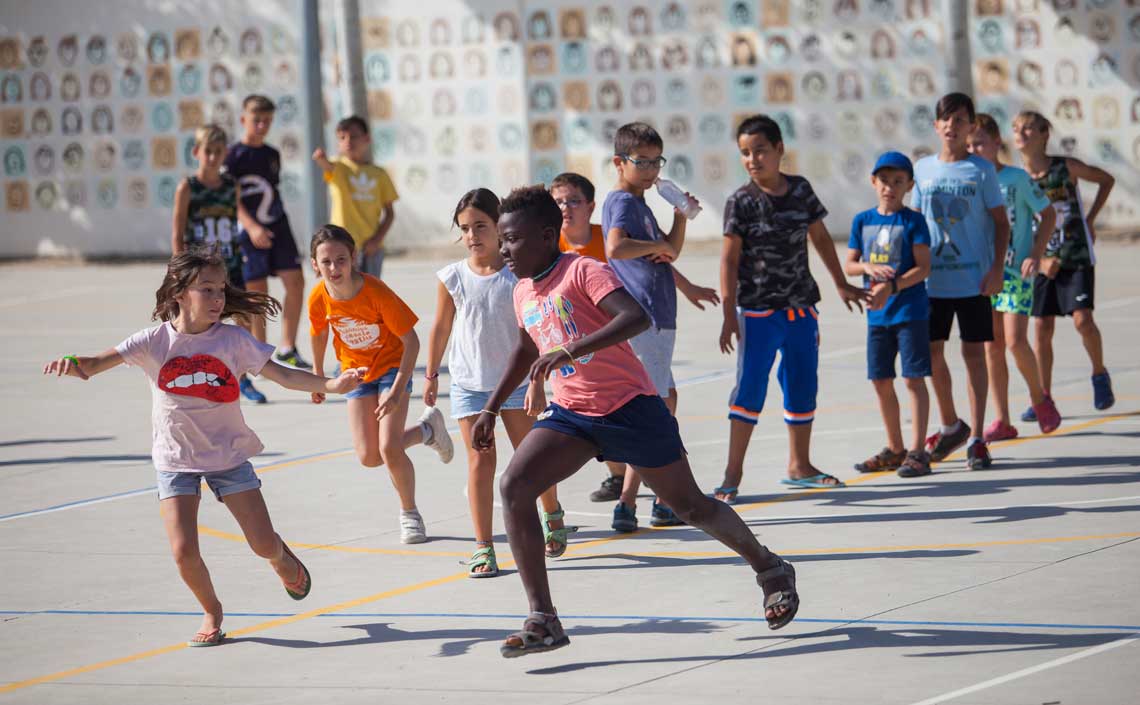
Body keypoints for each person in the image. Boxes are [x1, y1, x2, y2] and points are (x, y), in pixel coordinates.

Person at [472, 185, 799, 658]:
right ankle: (543, 619)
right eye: (501, 240)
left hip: (629, 407)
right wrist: (490, 405)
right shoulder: (523, 289)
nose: (504, 249)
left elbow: (634, 317)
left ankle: (770, 568)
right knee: (514, 485)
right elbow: (526, 347)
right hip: (572, 414)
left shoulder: (583, 270)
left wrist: (570, 350)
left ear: (547, 236)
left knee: (692, 508)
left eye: (513, 239)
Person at [43, 250, 366, 647]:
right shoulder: (154, 341)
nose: (217, 299)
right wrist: (74, 363)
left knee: (262, 543)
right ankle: (211, 610)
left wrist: (331, 385)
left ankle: (282, 559)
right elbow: (95, 363)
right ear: (179, 293)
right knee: (182, 551)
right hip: (175, 460)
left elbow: (282, 375)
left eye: (221, 290)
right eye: (207, 289)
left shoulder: (232, 339)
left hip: (227, 455)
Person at [716, 114, 868, 501]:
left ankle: (799, 466)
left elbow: (819, 237)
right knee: (749, 390)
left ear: (780, 149)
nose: (753, 159)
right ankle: (732, 475)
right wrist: (728, 314)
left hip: (801, 309)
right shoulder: (741, 202)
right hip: (758, 314)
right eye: (745, 154)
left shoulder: (800, 190)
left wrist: (840, 283)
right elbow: (729, 261)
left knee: (802, 385)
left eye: (760, 151)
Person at [423, 189, 568, 576]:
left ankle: (551, 511)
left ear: (499, 225)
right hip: (470, 384)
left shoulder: (518, 273)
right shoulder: (452, 277)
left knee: (530, 459)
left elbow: (537, 331)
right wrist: (432, 373)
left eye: (480, 226)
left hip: (518, 384)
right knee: (479, 463)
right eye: (465, 229)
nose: (472, 236)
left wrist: (538, 380)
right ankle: (483, 546)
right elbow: (440, 327)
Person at [600, 124, 719, 531]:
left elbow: (670, 250)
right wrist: (656, 246)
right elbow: (614, 247)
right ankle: (634, 501)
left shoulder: (642, 204)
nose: (651, 170)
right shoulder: (623, 202)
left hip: (658, 316)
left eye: (657, 161)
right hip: (645, 319)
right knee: (652, 410)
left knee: (664, 403)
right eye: (642, 162)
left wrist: (680, 217)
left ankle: (647, 501)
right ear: (620, 162)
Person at [308, 225, 454, 544]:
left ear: (354, 258)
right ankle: (427, 431)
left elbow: (411, 341)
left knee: (389, 447)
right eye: (327, 261)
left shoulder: (376, 292)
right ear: (314, 264)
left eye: (341, 259)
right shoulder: (318, 298)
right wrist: (320, 378)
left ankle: (410, 514)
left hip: (391, 366)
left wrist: (399, 388)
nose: (335, 268)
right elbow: (318, 334)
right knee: (370, 457)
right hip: (355, 372)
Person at [912, 92, 1010, 470]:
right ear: (937, 126)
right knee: (932, 355)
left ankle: (977, 438)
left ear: (971, 126)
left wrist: (997, 268)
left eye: (959, 119)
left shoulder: (981, 170)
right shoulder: (923, 169)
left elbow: (1001, 223)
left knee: (974, 357)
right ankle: (951, 423)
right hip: (932, 283)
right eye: (945, 119)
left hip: (973, 281)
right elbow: (917, 225)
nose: (952, 125)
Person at [1013, 110, 1116, 417]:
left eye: (1029, 128)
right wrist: (1039, 259)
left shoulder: (1065, 167)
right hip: (1041, 261)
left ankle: (1099, 373)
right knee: (1042, 328)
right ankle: (1044, 396)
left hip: (1075, 255)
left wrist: (1090, 218)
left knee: (1083, 320)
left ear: (1045, 134)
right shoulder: (1016, 179)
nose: (1022, 133)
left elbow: (1107, 180)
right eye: (1017, 128)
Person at [966, 114, 1062, 439]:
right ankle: (1002, 420)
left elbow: (1048, 215)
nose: (974, 149)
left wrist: (1036, 253)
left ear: (996, 143)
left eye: (979, 142)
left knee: (1016, 341)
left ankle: (1039, 398)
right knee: (992, 346)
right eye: (968, 144)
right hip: (982, 275)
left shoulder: (1016, 179)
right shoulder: (969, 183)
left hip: (1015, 272)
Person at [845, 152, 934, 478]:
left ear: (909, 185)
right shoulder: (863, 220)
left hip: (909, 311)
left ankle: (917, 450)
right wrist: (867, 267)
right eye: (884, 181)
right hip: (877, 316)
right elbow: (850, 264)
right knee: (881, 380)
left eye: (898, 182)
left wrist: (892, 286)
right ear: (873, 182)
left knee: (913, 378)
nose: (890, 187)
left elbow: (923, 268)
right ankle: (895, 448)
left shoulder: (913, 221)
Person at [172, 123, 266, 403]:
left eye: (218, 152)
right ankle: (195, 376)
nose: (213, 157)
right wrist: (180, 271)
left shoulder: (230, 186)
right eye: (207, 151)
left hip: (229, 265)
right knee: (198, 324)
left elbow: (235, 221)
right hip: (199, 271)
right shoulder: (188, 188)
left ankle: (242, 378)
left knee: (243, 318)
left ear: (225, 153)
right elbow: (177, 233)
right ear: (197, 152)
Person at [226, 94, 311, 375]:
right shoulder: (233, 156)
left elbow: (271, 190)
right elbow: (230, 197)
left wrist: (267, 224)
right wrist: (251, 227)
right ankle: (259, 355)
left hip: (277, 223)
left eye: (267, 121)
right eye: (256, 120)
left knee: (295, 281)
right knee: (256, 292)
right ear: (243, 120)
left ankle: (288, 348)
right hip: (246, 230)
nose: (262, 125)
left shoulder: (272, 154)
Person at [312, 115, 399, 278]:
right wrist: (321, 158)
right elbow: (326, 166)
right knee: (341, 292)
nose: (348, 141)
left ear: (367, 139)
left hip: (369, 248)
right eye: (342, 138)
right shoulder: (338, 168)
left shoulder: (379, 174)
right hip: (340, 246)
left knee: (369, 293)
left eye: (353, 136)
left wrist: (376, 240)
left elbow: (390, 213)